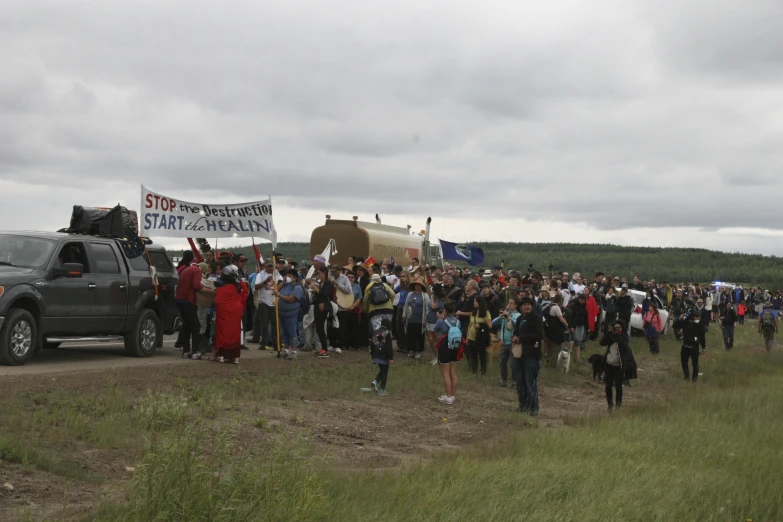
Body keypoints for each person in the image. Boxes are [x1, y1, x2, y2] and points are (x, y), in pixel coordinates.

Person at [175, 251, 214, 359]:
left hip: (179, 300)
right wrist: (209, 291)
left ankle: (186, 351)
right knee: (196, 325)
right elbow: (196, 285)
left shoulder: (187, 269)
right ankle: (195, 351)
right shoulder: (197, 270)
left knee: (187, 325)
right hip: (188, 300)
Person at [512, 296, 544, 416]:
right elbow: (516, 332)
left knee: (531, 382)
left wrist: (522, 338)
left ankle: (533, 408)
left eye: (528, 304)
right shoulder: (520, 318)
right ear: (521, 307)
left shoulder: (537, 318)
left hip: (532, 354)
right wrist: (515, 337)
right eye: (524, 305)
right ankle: (523, 405)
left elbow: (539, 335)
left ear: (532, 306)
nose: (526, 306)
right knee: (520, 382)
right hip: (519, 354)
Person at [213, 265, 248, 364]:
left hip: (224, 312)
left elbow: (218, 301)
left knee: (222, 332)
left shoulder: (221, 285)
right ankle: (234, 356)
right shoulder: (240, 284)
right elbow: (244, 295)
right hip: (236, 311)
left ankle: (221, 355)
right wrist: (240, 305)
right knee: (235, 333)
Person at [600, 319, 636, 412]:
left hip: (619, 365)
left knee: (618, 386)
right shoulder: (611, 336)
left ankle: (618, 406)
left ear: (622, 328)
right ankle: (610, 404)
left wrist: (618, 336)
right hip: (608, 363)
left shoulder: (624, 337)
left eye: (618, 328)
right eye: (615, 328)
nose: (616, 330)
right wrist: (609, 334)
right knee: (608, 385)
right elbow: (602, 342)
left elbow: (625, 347)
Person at [273, 269, 305, 360]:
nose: (288, 277)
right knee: (285, 332)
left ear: (294, 278)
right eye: (287, 275)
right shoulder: (285, 285)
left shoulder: (297, 287)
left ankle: (294, 351)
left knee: (292, 332)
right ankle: (286, 350)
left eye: (290, 276)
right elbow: (275, 290)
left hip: (291, 313)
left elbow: (291, 299)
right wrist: (282, 282)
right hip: (282, 313)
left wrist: (279, 295)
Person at [433, 301, 460, 405]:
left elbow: (435, 332)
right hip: (455, 347)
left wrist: (439, 319)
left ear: (444, 310)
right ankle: (452, 395)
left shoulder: (441, 322)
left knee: (445, 373)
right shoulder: (457, 321)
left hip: (444, 347)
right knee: (453, 372)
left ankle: (448, 396)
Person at [252, 260, 281, 350]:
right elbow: (256, 287)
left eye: (271, 266)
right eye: (268, 266)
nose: (270, 268)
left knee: (275, 324)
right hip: (263, 302)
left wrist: (279, 285)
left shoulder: (277, 274)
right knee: (264, 324)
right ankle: (263, 343)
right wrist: (265, 281)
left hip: (274, 302)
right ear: (264, 266)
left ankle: (276, 344)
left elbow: (281, 283)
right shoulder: (260, 275)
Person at [673, 306, 707, 381]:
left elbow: (702, 337)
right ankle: (686, 375)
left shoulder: (700, 325)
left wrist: (703, 347)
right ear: (693, 317)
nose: (698, 318)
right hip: (685, 346)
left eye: (699, 317)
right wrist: (680, 318)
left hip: (694, 347)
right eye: (697, 317)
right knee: (683, 362)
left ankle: (694, 379)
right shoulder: (686, 323)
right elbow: (674, 325)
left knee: (695, 364)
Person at [493, 297, 521, 387]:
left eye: (511, 303)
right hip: (504, 342)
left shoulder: (518, 315)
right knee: (502, 362)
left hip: (513, 343)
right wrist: (500, 317)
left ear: (516, 305)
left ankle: (514, 381)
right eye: (508, 303)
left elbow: (518, 325)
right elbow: (493, 323)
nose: (509, 305)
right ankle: (503, 380)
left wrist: (510, 319)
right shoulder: (505, 314)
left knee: (513, 364)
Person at [310, 266, 335, 358]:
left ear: (324, 272)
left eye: (320, 273)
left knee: (320, 328)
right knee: (318, 328)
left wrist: (315, 288)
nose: (318, 275)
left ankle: (325, 349)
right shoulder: (320, 282)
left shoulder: (328, 282)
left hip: (323, 306)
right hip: (317, 305)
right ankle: (323, 348)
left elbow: (325, 294)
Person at [403, 277, 430, 360]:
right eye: (416, 285)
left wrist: (426, 318)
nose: (417, 286)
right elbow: (406, 305)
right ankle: (412, 350)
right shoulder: (410, 294)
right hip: (410, 318)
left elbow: (428, 308)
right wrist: (404, 315)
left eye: (419, 285)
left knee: (419, 335)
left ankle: (419, 351)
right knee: (410, 335)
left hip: (420, 319)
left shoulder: (425, 296)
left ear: (422, 287)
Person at [467, 295, 492, 375]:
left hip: (481, 337)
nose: (474, 303)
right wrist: (467, 337)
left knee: (482, 355)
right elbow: (470, 325)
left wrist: (480, 325)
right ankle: (474, 371)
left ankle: (483, 371)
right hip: (472, 336)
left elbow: (490, 326)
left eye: (476, 301)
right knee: (473, 355)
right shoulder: (473, 313)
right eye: (474, 301)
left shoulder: (486, 313)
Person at [369, 317, 394, 396]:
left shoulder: (376, 332)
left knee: (382, 370)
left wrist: (373, 355)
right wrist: (391, 357)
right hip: (384, 355)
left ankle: (375, 381)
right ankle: (382, 389)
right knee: (384, 372)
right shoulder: (387, 333)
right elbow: (389, 346)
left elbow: (372, 345)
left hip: (376, 355)